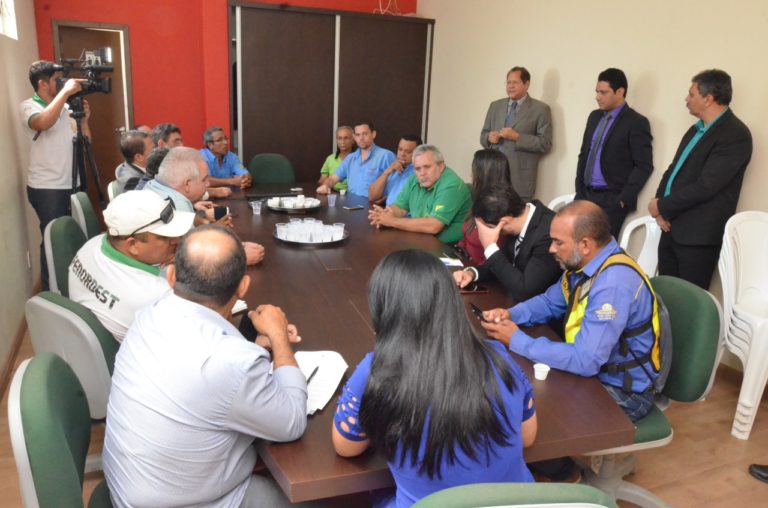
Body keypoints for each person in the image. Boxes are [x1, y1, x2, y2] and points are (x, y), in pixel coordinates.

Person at [103, 225, 308, 508]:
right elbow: (292, 422)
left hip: (129, 489)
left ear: (171, 277)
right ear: (243, 286)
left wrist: (254, 345)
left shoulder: (149, 314)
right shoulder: (232, 362)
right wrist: (278, 336)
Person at [332, 250, 537, 507]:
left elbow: (346, 447)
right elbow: (527, 437)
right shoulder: (498, 356)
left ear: (383, 309)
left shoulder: (376, 369)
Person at [481, 201, 661, 422]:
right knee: (516, 388)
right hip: (596, 372)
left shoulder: (613, 284)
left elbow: (585, 360)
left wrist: (517, 340)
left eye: (558, 242)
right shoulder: (585, 264)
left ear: (584, 244)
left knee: (533, 412)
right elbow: (549, 302)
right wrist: (511, 314)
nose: (551, 249)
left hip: (622, 392)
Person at [648, 69, 752, 289]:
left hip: (698, 237)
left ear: (708, 99)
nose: (686, 99)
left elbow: (707, 186)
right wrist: (660, 206)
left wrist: (662, 206)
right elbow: (673, 170)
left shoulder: (736, 135)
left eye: (691, 94)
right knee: (665, 297)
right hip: (670, 228)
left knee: (690, 301)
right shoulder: (694, 130)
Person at [68, 190, 195, 342]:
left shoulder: (91, 246)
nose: (177, 240)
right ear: (133, 245)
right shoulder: (158, 296)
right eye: (165, 237)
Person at [20, 60, 91, 290]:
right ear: (42, 83)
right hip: (48, 187)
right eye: (57, 80)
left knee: (74, 234)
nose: (62, 83)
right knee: (53, 239)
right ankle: (51, 290)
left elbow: (86, 143)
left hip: (73, 182)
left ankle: (74, 283)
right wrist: (65, 93)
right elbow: (43, 123)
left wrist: (84, 121)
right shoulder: (30, 106)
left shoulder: (67, 108)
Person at [145, 147, 265, 265]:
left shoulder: (153, 186)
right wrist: (237, 256)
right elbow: (188, 261)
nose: (208, 184)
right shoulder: (177, 205)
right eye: (204, 180)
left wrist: (211, 229)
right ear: (187, 184)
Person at [575, 68, 653, 238]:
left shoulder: (636, 122)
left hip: (611, 199)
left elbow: (644, 165)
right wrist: (579, 188)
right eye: (597, 92)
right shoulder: (594, 117)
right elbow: (584, 153)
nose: (597, 97)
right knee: (574, 243)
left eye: (603, 92)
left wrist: (623, 199)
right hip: (585, 194)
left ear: (620, 92)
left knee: (601, 248)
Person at [453, 184, 561, 303]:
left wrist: (490, 247)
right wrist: (472, 273)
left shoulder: (548, 234)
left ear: (504, 221)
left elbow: (525, 292)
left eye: (488, 227)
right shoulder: (520, 218)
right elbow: (501, 264)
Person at [368, 145, 471, 244]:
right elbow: (400, 208)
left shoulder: (451, 185)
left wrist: (392, 221)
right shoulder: (414, 179)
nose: (422, 173)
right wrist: (384, 215)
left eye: (427, 167)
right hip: (421, 238)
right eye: (417, 169)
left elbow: (433, 226)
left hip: (449, 247)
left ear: (441, 166)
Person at [480, 66, 552, 200]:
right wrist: (488, 138)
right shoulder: (495, 106)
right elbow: (483, 135)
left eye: (515, 82)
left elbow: (545, 144)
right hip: (493, 175)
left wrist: (517, 137)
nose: (510, 86)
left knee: (517, 212)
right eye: (508, 82)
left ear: (526, 84)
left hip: (520, 180)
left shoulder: (541, 109)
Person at [456, 149, 513, 264]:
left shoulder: (501, 210)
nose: (471, 175)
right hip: (464, 263)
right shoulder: (481, 200)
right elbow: (465, 237)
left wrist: (471, 270)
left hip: (479, 271)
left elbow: (494, 259)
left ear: (484, 175)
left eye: (474, 171)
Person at [316, 121, 395, 198]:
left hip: (373, 205)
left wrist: (385, 199)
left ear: (373, 134)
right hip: (351, 204)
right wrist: (325, 185)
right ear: (354, 137)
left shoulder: (386, 156)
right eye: (358, 135)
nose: (361, 138)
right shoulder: (350, 158)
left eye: (365, 134)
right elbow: (333, 179)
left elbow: (398, 184)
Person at [368, 134, 421, 206]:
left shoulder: (419, 174)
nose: (402, 154)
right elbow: (372, 197)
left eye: (408, 152)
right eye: (400, 149)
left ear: (418, 153)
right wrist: (387, 172)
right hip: (385, 211)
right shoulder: (393, 168)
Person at [318, 126, 355, 192]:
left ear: (353, 140)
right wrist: (325, 186)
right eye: (339, 138)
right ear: (336, 141)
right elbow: (322, 180)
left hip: (352, 194)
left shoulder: (358, 159)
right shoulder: (330, 158)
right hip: (332, 193)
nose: (343, 142)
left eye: (346, 138)